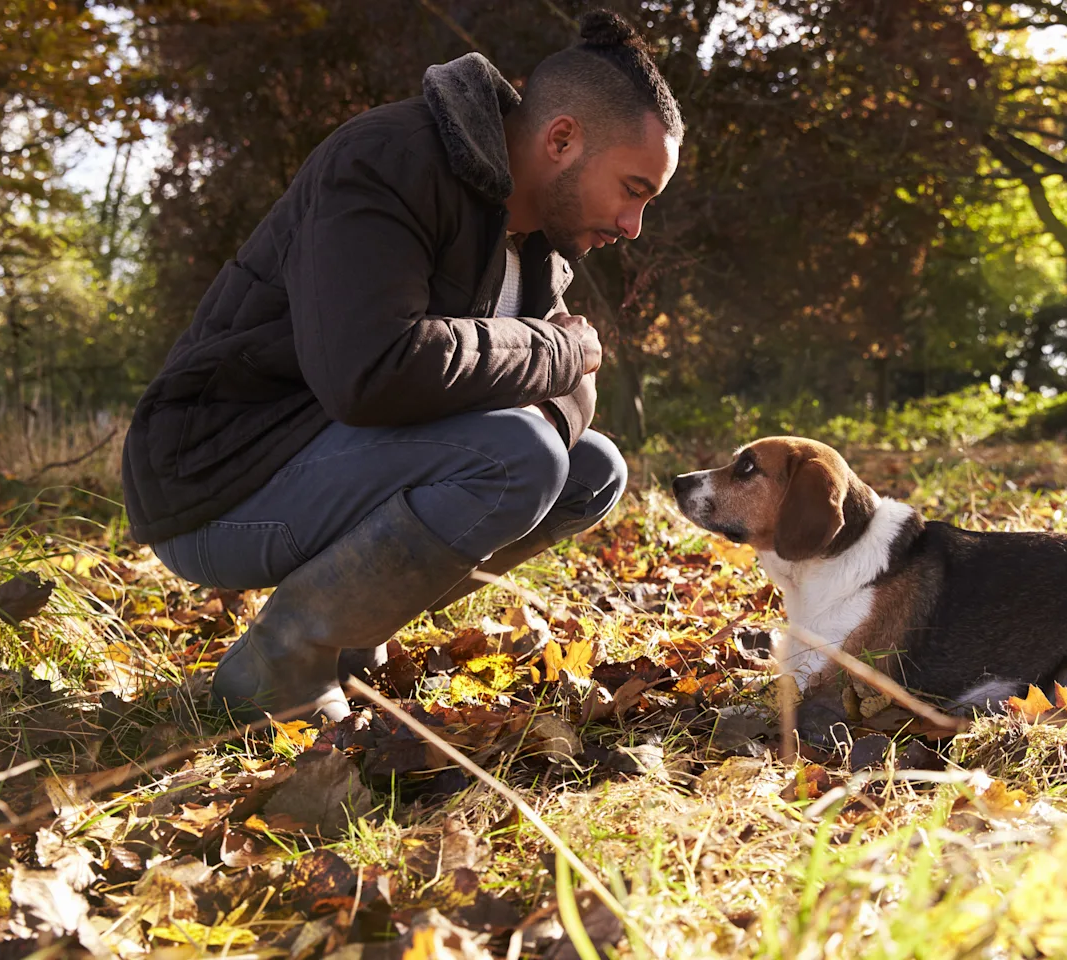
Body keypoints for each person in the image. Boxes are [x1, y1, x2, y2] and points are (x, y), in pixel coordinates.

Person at [120, 11, 683, 723]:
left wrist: (550, 377)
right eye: (634, 190)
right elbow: (372, 370)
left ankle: (350, 637)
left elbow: (576, 394)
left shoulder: (542, 244)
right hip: (215, 486)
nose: (633, 226)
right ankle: (281, 664)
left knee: (590, 472)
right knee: (523, 456)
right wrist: (558, 353)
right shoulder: (391, 159)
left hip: (321, 476)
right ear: (562, 139)